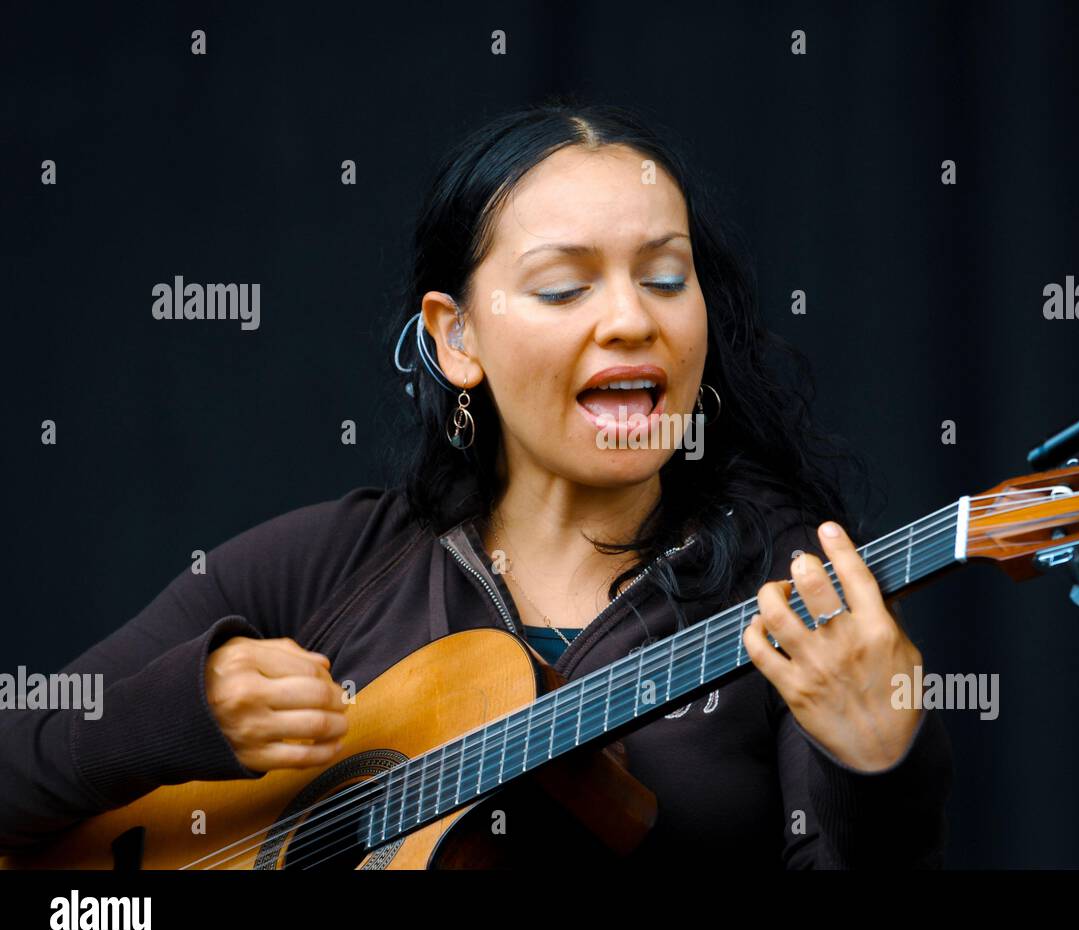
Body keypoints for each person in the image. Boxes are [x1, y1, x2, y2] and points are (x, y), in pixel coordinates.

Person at [0, 99, 952, 868]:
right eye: (563, 287)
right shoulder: (331, 564)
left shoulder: (800, 603)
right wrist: (180, 710)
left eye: (666, 277)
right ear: (459, 339)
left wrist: (879, 769)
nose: (630, 319)